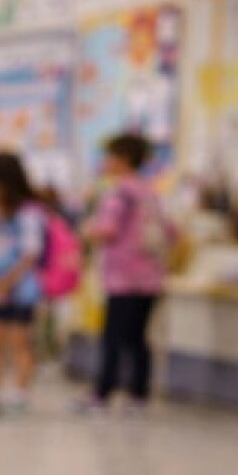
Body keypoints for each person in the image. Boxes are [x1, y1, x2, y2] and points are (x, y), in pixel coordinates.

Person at [79, 133, 175, 413]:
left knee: (113, 337)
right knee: (138, 338)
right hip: (151, 277)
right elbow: (171, 231)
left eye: (109, 156)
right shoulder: (151, 192)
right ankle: (139, 395)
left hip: (123, 278)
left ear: (121, 159)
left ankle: (102, 392)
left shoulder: (119, 192)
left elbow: (107, 230)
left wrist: (87, 230)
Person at [0, 151, 46, 416]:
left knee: (19, 341)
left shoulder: (28, 213)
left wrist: (7, 282)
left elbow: (30, 253)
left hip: (19, 289)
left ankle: (20, 394)